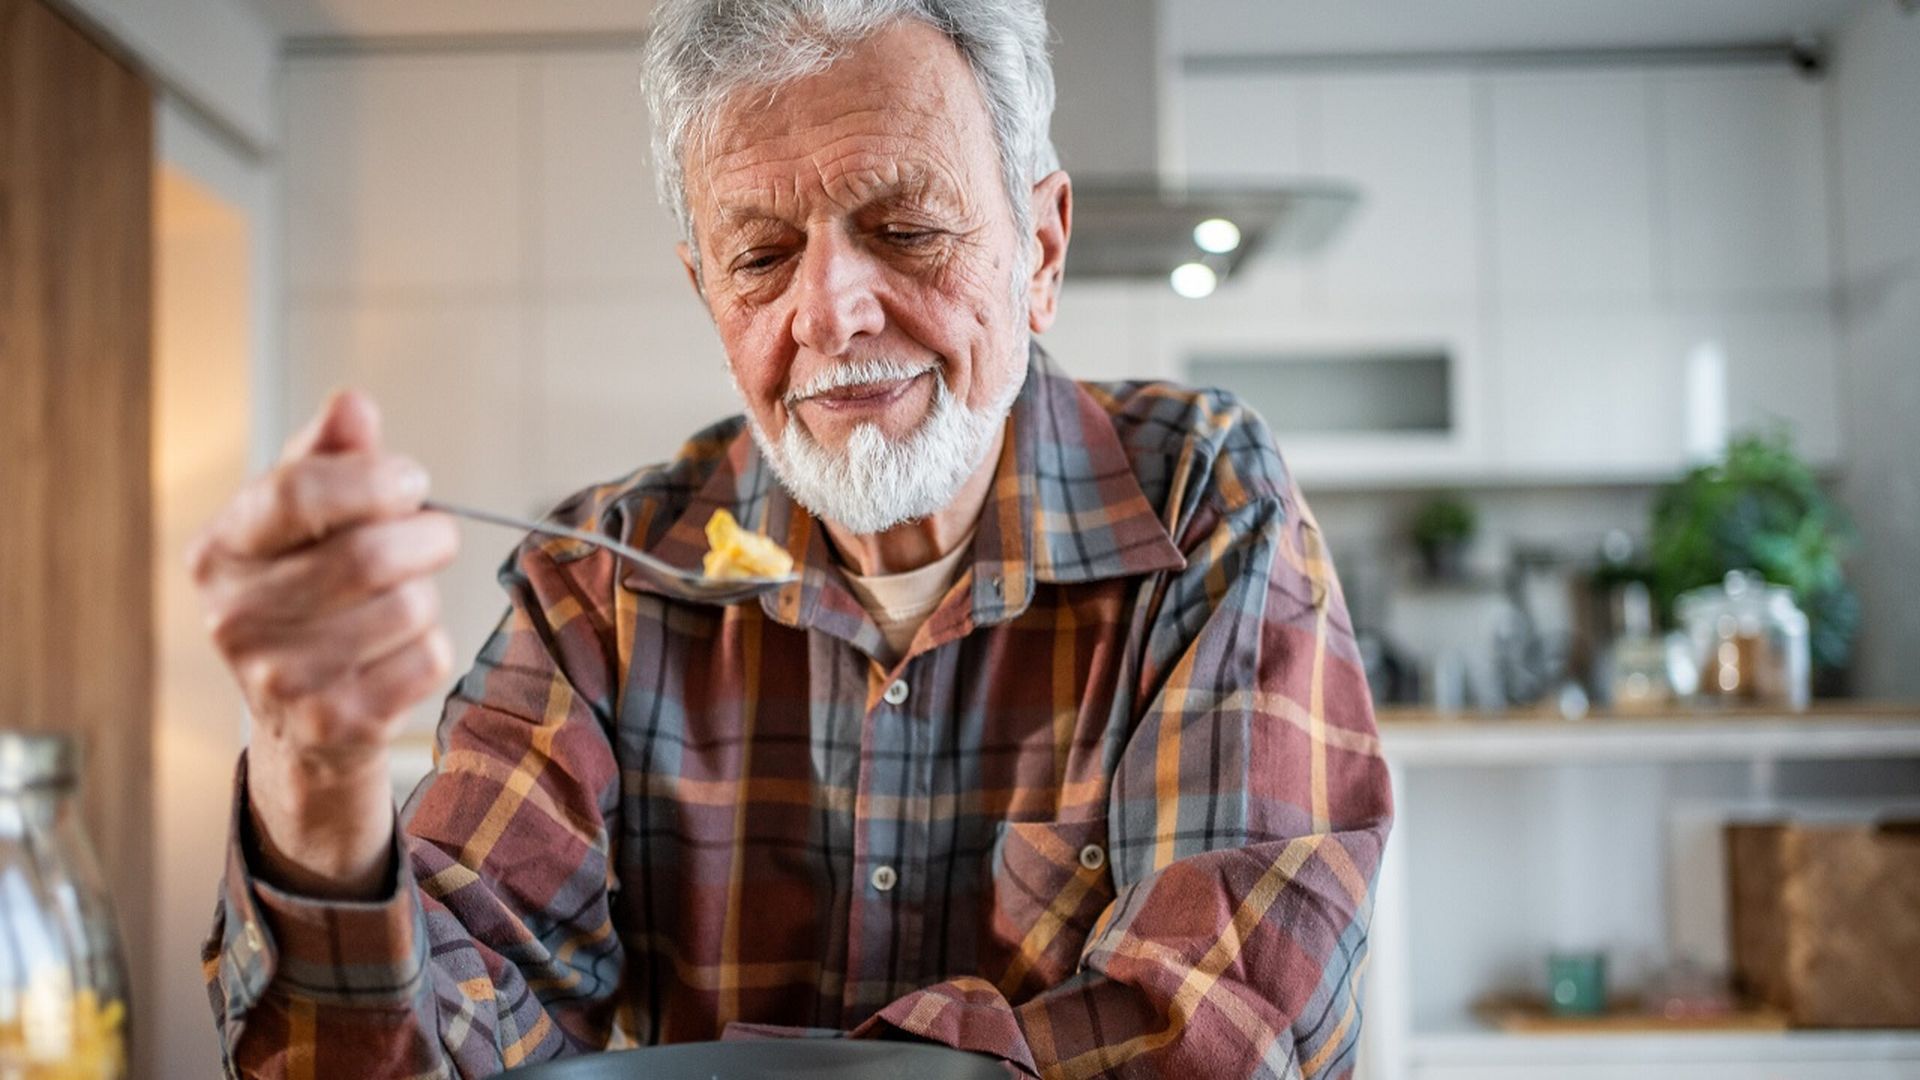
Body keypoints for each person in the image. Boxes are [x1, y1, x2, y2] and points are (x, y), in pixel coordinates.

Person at [193, 0, 1393, 1075]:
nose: (829, 312)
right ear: (708, 291)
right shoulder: (605, 574)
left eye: (908, 228)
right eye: (762, 257)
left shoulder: (1201, 504)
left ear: (1039, 248)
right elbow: (411, 1042)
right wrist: (318, 771)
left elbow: (1221, 1034)